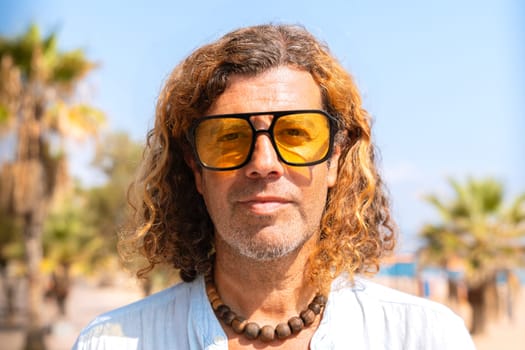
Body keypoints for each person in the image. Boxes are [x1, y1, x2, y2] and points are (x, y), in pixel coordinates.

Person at [73, 24, 475, 349]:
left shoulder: (425, 337)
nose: (264, 164)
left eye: (297, 134)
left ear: (335, 160)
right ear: (195, 169)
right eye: (229, 137)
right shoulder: (111, 342)